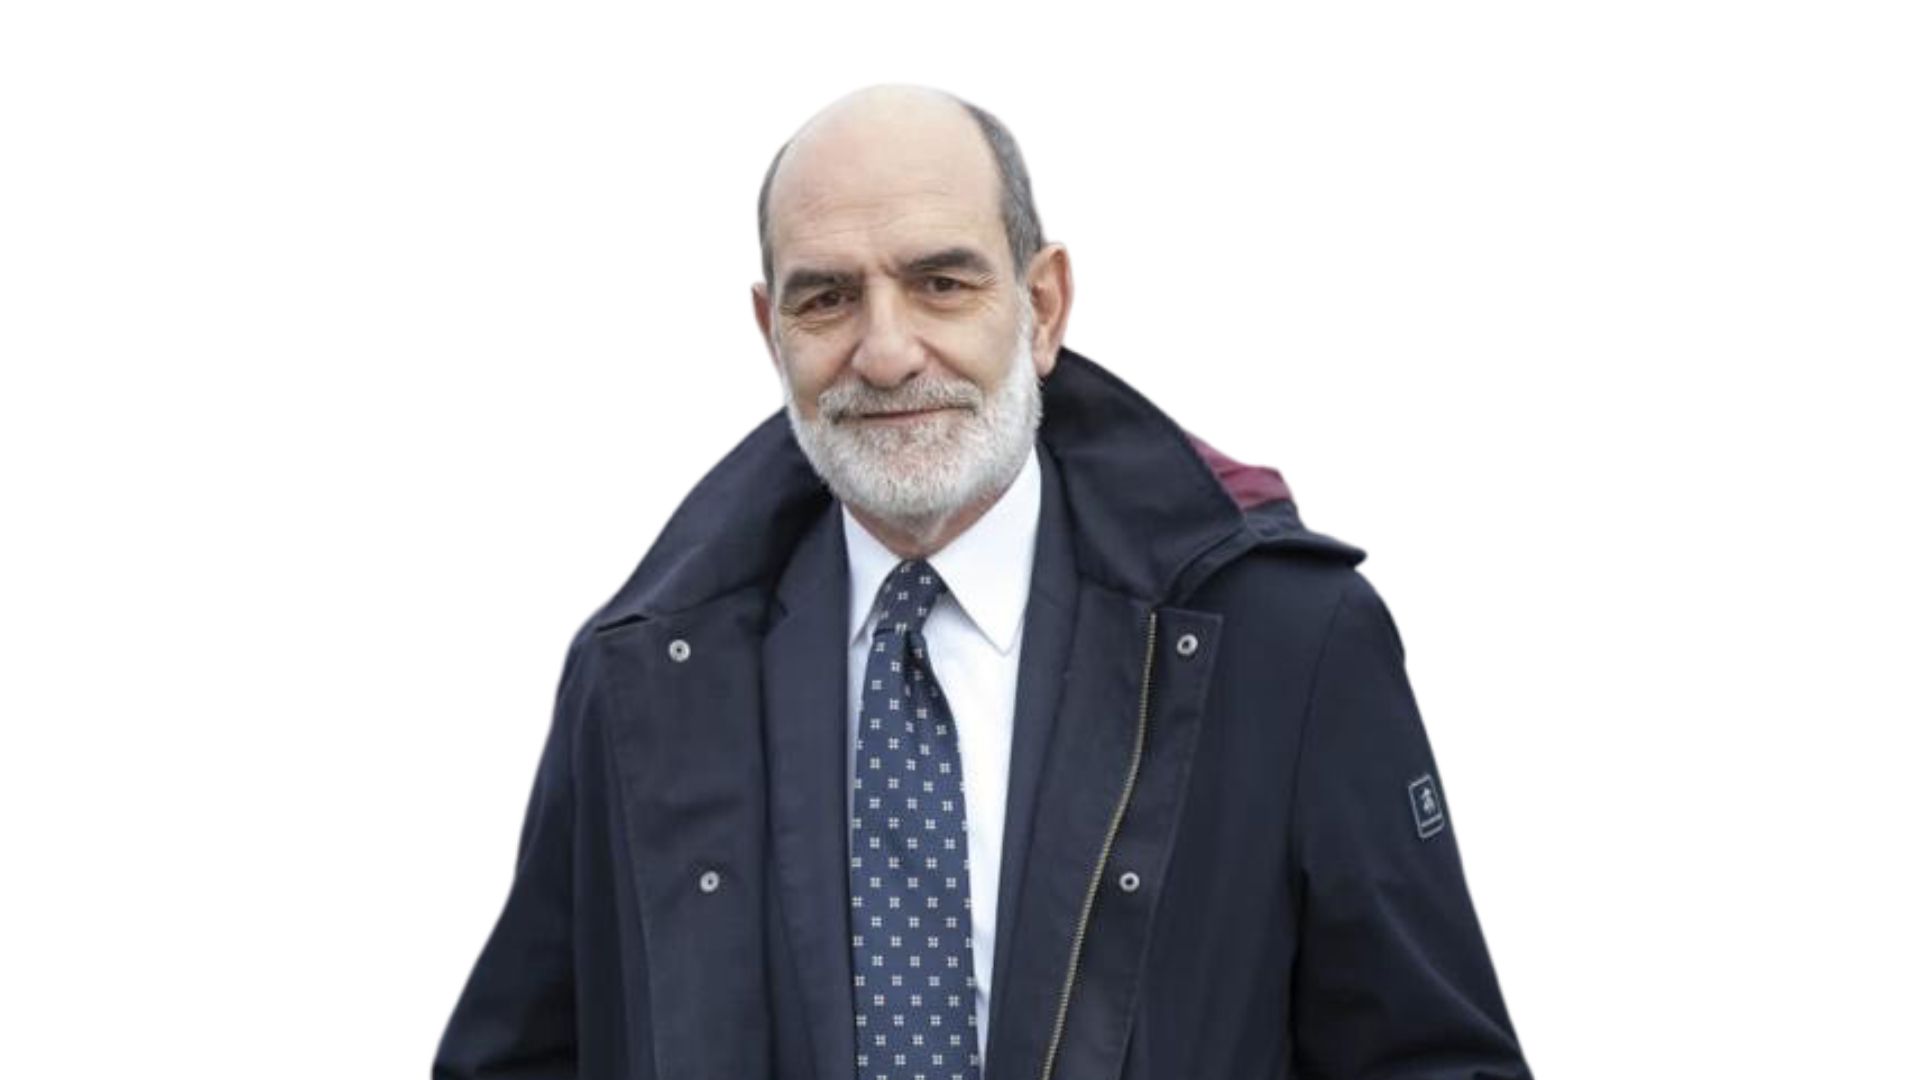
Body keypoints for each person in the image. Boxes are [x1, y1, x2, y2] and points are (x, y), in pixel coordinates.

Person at [434, 84, 1532, 1080]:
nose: (886, 352)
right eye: (828, 299)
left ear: (1042, 305)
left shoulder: (1286, 643)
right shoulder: (643, 677)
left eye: (941, 284)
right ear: (770, 332)